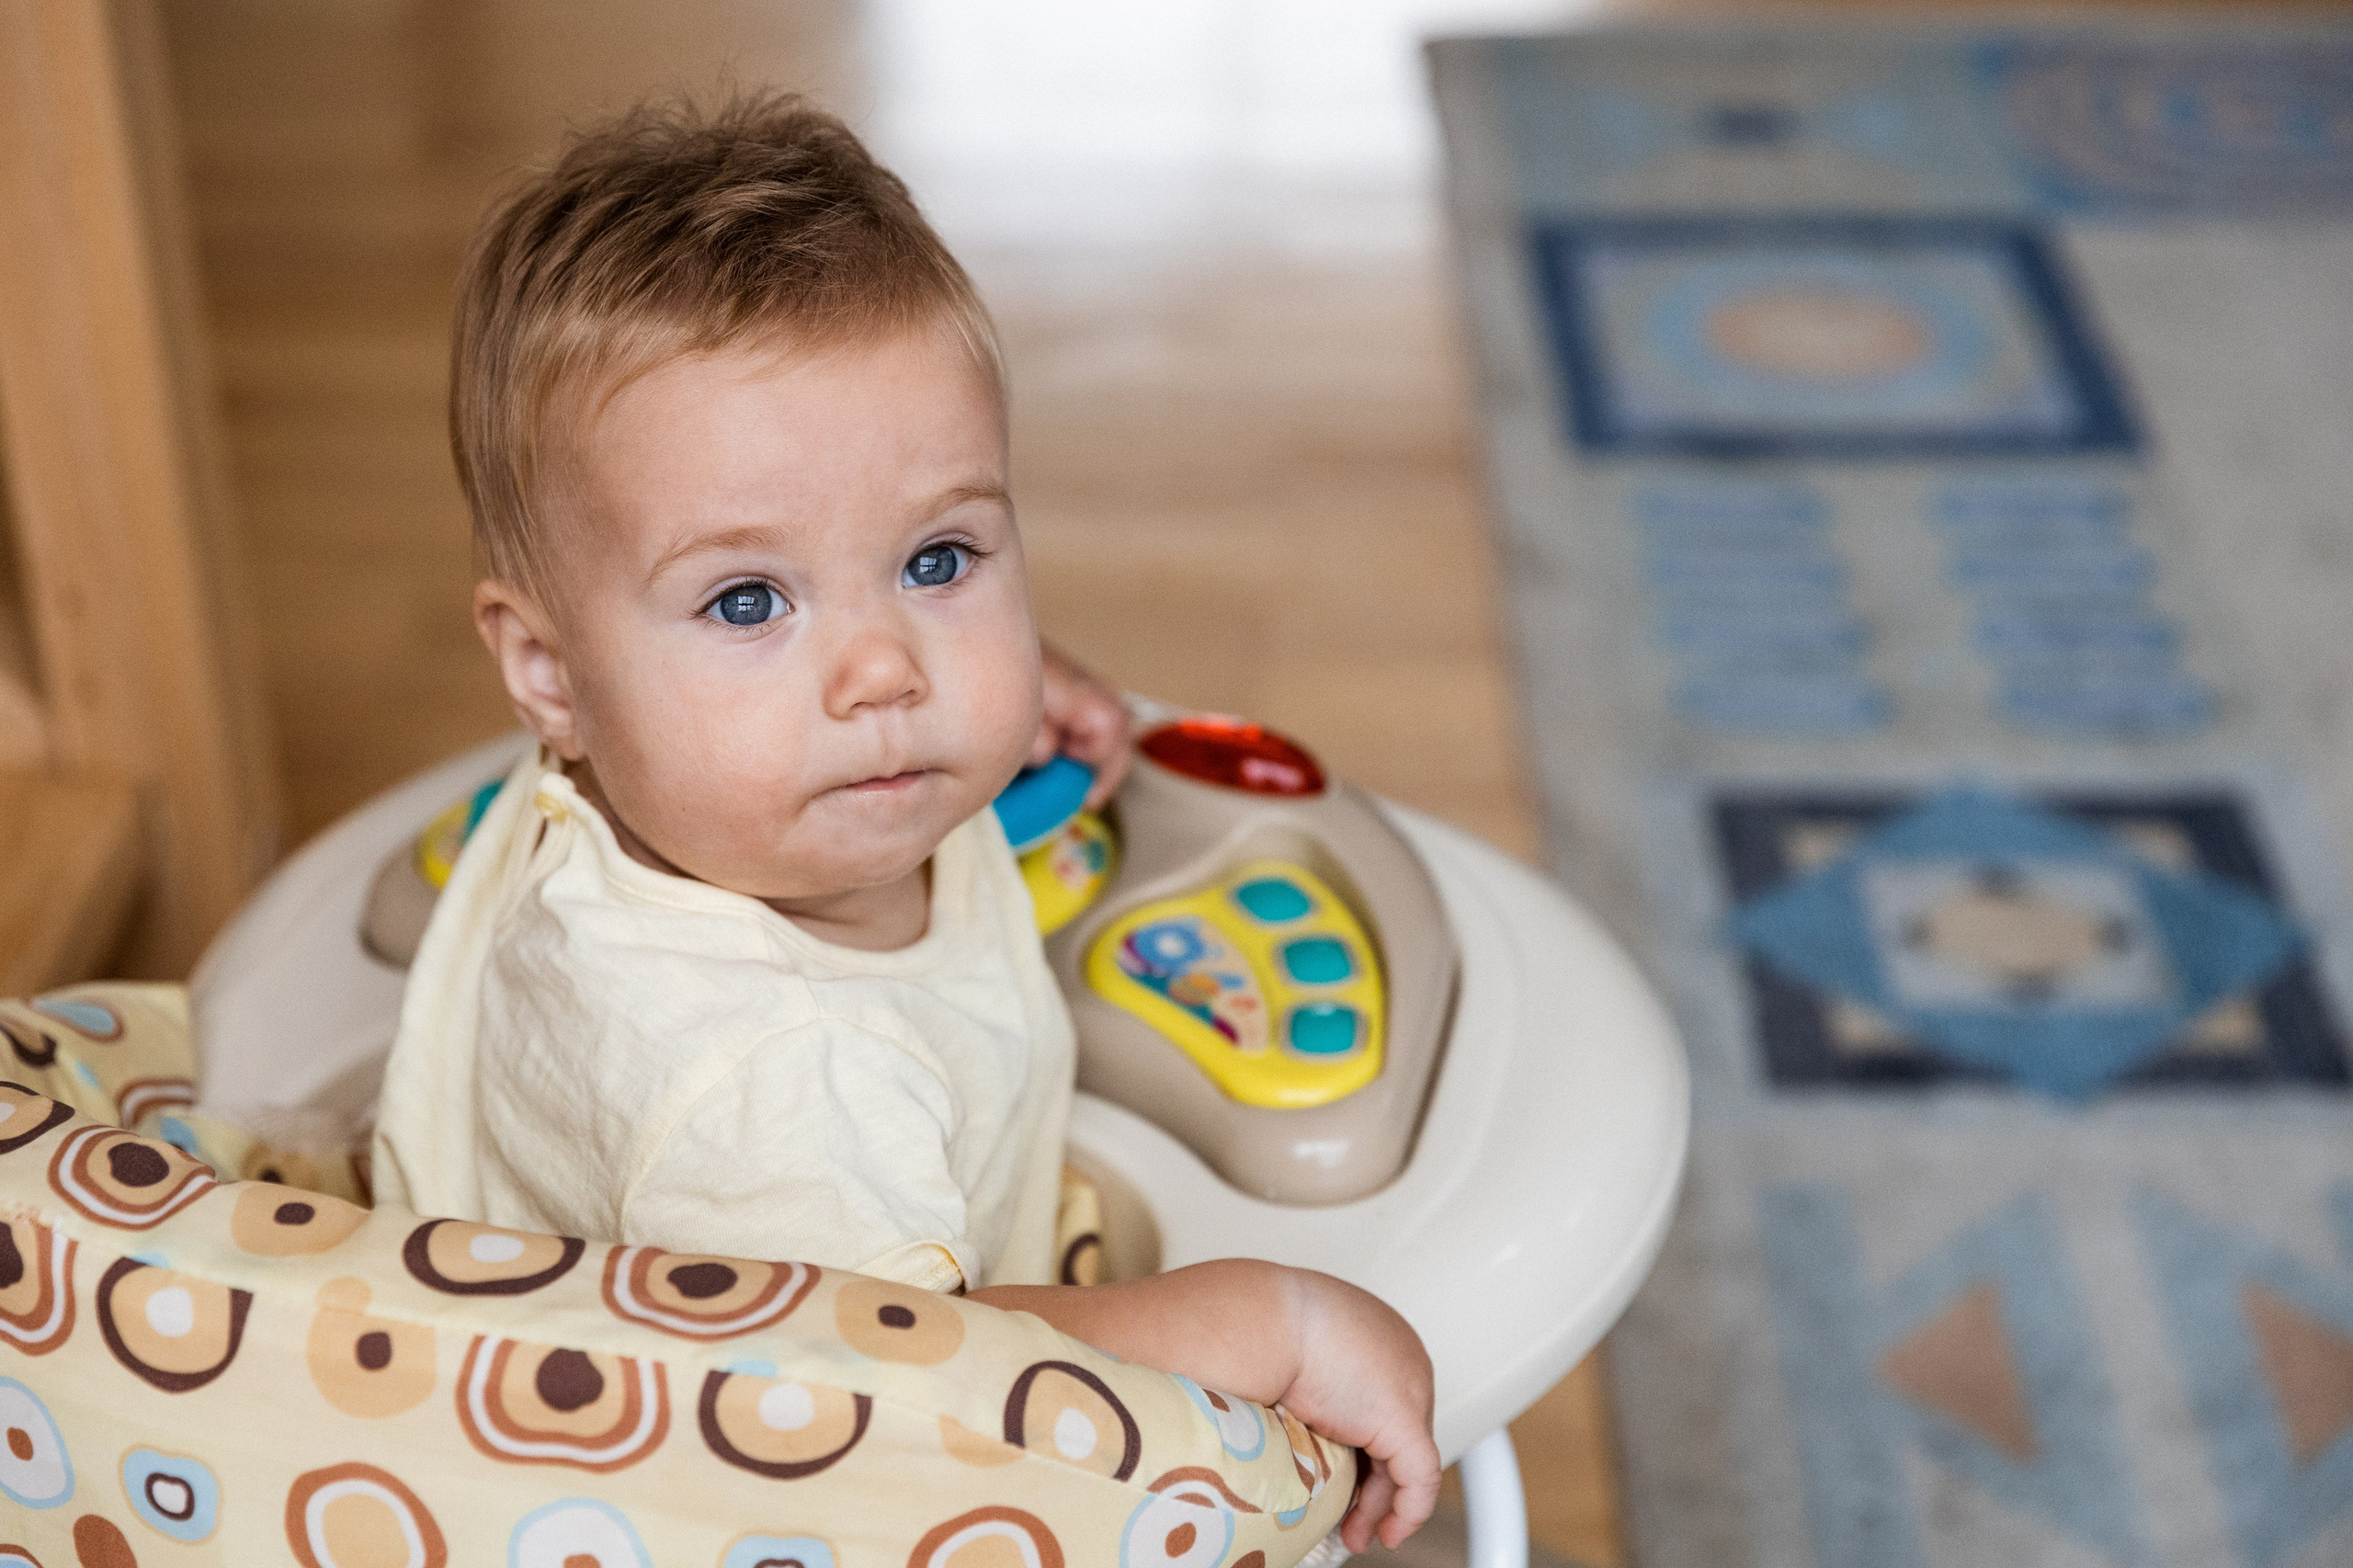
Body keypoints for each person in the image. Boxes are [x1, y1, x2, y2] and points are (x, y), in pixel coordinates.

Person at [368, 92, 1436, 1549]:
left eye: (940, 558)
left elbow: (801, 648)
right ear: (551, 673)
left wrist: (1008, 681)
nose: (885, 673)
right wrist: (1275, 1324)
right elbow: (921, 1400)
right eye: (751, 599)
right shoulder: (767, 1081)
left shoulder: (658, 751)